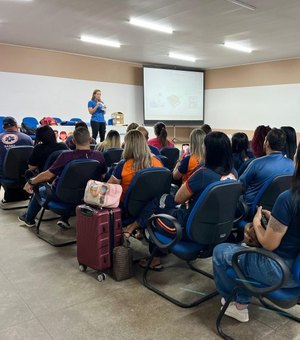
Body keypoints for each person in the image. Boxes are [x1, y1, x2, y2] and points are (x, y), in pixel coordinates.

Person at [213, 142, 300, 323]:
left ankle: (238, 306)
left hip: (280, 271)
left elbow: (269, 244)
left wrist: (256, 222)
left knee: (221, 251)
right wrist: (276, 218)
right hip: (295, 272)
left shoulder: (289, 198)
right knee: (242, 251)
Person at [137, 131, 237, 270]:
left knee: (153, 217)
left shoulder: (202, 173)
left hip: (189, 231)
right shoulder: (234, 173)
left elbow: (178, 198)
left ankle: (154, 258)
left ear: (208, 150)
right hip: (218, 230)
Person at [18, 127, 107, 228]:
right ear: (90, 139)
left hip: (62, 196)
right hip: (88, 195)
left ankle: (29, 219)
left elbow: (48, 175)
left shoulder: (66, 156)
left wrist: (31, 182)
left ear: (73, 141)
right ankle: (64, 218)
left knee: (40, 189)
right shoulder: (99, 156)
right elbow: (103, 176)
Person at [240, 128, 294, 211]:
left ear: (267, 143)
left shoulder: (256, 163)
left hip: (254, 209)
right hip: (279, 210)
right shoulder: (292, 164)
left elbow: (241, 186)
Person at [108, 130, 163, 204]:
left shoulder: (123, 165)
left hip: (127, 208)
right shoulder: (157, 162)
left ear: (127, 146)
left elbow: (109, 188)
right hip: (152, 207)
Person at [0, 116, 33, 203]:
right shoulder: (27, 138)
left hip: (4, 175)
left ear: (4, 127)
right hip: (24, 174)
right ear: (16, 125)